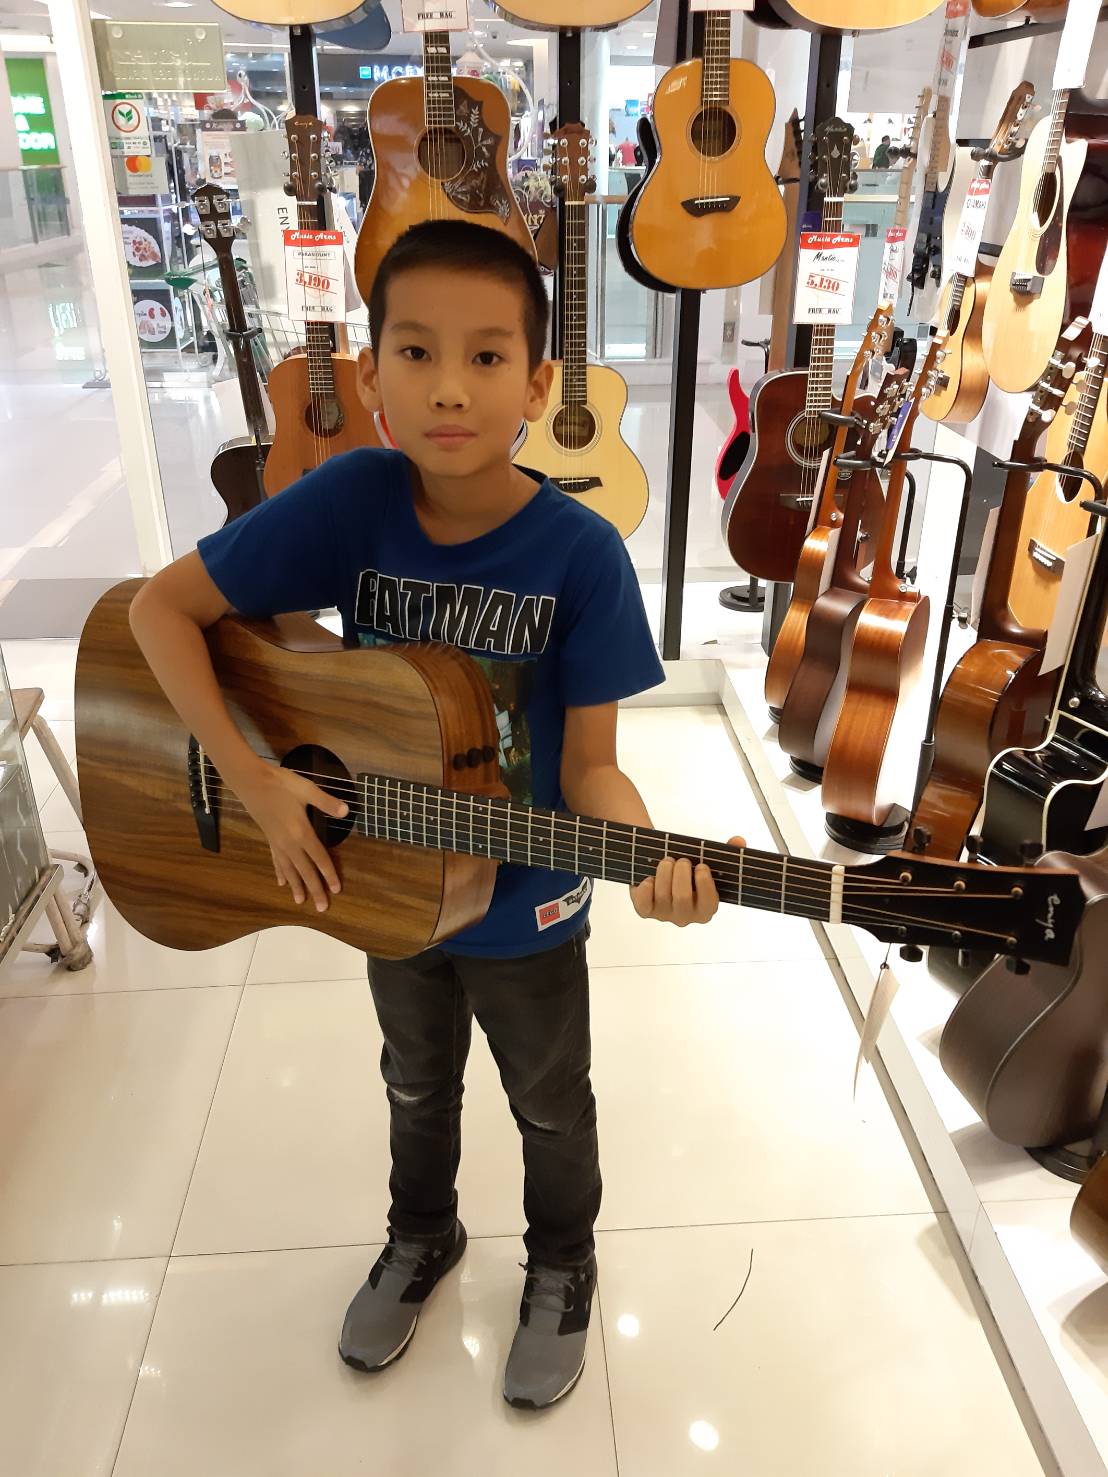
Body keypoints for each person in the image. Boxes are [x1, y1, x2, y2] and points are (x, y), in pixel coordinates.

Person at [127, 219, 743, 1413]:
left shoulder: (581, 554)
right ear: (370, 375)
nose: (448, 388)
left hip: (528, 903)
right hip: (386, 887)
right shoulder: (353, 498)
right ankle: (421, 1234)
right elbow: (161, 611)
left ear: (539, 384)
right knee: (413, 1081)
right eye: (414, 353)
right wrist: (254, 778)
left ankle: (561, 1262)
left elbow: (593, 770)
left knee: (548, 1100)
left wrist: (652, 856)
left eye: (486, 356)